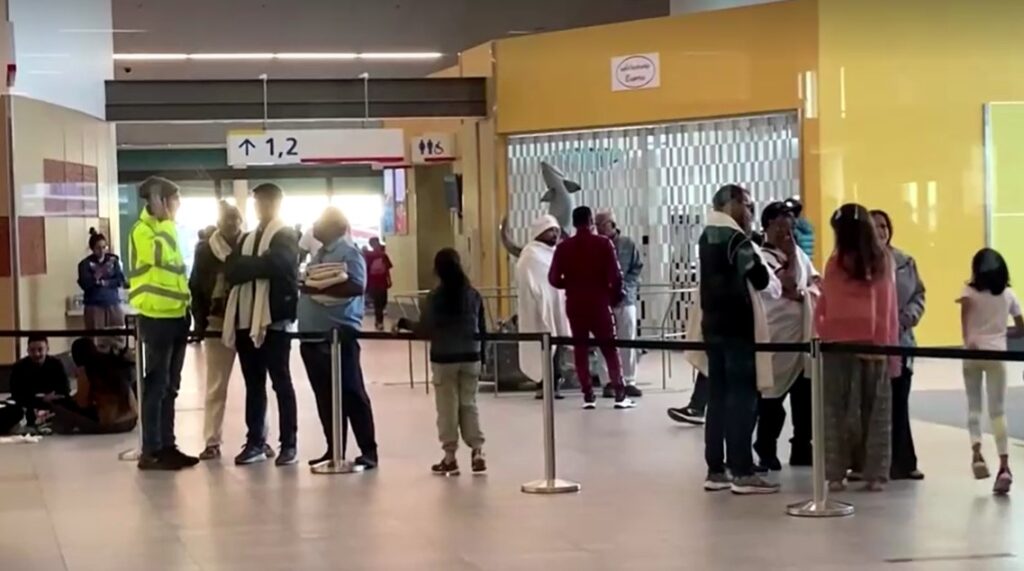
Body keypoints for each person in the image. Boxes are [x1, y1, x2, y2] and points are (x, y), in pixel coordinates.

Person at [698, 184, 778, 495]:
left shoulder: (706, 235)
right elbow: (760, 278)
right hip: (738, 328)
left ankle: (716, 469)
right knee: (742, 399)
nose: (749, 212)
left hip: (713, 326)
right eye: (746, 205)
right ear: (730, 204)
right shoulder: (735, 238)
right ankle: (742, 470)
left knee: (717, 398)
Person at [816, 203, 898, 492]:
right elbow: (888, 308)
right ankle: (874, 473)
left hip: (836, 344)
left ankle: (835, 473)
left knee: (835, 410)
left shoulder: (835, 261)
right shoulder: (881, 260)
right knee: (876, 412)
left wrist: (822, 332)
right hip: (873, 345)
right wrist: (888, 348)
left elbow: (824, 303)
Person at [223, 183, 300, 466]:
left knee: (281, 382)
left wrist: (250, 265)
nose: (260, 206)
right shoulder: (247, 237)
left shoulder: (285, 234)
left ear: (276, 203)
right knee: (253, 383)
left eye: (265, 201)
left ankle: (289, 444)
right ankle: (256, 440)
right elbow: (231, 270)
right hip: (246, 318)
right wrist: (259, 264)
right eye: (257, 202)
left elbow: (281, 266)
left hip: (273, 319)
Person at [297, 207, 378, 469]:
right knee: (324, 397)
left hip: (337, 335)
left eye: (320, 222)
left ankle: (368, 451)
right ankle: (334, 449)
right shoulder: (318, 255)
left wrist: (315, 287)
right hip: (311, 337)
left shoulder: (349, 253)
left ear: (336, 227)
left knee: (352, 393)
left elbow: (357, 285)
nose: (315, 225)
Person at [191, 202, 272, 460]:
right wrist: (200, 323)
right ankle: (212, 441)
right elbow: (196, 287)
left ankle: (260, 438)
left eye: (236, 218)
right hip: (217, 321)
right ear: (218, 221)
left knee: (256, 384)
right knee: (216, 385)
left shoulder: (251, 245)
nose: (232, 223)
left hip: (247, 320)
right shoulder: (205, 250)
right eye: (227, 218)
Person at [397, 248, 487, 475]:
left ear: (437, 269)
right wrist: (482, 357)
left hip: (444, 358)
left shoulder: (436, 297)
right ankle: (477, 450)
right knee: (469, 404)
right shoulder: (473, 295)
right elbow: (483, 329)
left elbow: (425, 328)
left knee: (447, 407)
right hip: (471, 356)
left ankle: (450, 456)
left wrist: (404, 323)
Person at [129, 176, 196, 471]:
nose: (178, 206)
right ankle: (151, 449)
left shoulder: (164, 230)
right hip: (157, 318)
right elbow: (161, 256)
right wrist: (166, 222)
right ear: (160, 202)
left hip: (177, 315)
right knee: (157, 385)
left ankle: (168, 445)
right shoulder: (143, 231)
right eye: (174, 200)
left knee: (171, 386)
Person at [549, 206, 635, 410]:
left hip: (575, 305)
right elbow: (615, 276)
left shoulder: (563, 248)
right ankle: (620, 394)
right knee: (609, 349)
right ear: (590, 221)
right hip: (599, 303)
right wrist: (612, 296)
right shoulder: (603, 244)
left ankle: (588, 395)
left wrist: (569, 284)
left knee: (580, 350)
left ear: (574, 222)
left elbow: (553, 278)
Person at [754, 202, 817, 471]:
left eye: (789, 226)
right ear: (766, 227)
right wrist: (791, 258)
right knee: (772, 401)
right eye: (779, 226)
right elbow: (788, 285)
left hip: (803, 340)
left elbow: (815, 281)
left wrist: (807, 292)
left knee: (805, 401)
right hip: (777, 337)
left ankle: (802, 447)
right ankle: (766, 448)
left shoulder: (800, 254)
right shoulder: (762, 256)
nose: (785, 232)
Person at [958, 248, 1023, 495]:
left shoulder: (968, 293)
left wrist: (971, 340)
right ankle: (1004, 466)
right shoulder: (1008, 295)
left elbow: (964, 327)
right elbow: (1020, 327)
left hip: (971, 354)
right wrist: (1002, 334)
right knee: (998, 411)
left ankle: (976, 454)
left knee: (974, 406)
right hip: (998, 354)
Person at [870, 209, 926, 481]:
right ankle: (869, 463)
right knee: (871, 406)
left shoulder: (905, 262)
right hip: (870, 343)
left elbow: (918, 293)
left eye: (883, 225)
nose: (880, 231)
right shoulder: (859, 263)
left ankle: (904, 461)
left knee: (899, 402)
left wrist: (908, 317)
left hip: (901, 341)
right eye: (874, 226)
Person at [516, 215, 571, 400]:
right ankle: (543, 384)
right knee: (543, 347)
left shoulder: (557, 252)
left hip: (557, 306)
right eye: (550, 230)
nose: (555, 233)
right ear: (539, 232)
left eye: (556, 230)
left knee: (558, 348)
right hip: (537, 310)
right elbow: (531, 281)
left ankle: (555, 384)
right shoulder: (530, 254)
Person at [596, 211, 644, 398]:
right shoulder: (595, 245)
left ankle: (629, 380)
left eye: (602, 224)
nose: (599, 228)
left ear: (612, 224)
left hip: (625, 299)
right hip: (602, 300)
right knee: (604, 342)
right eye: (596, 224)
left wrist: (628, 285)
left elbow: (637, 267)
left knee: (627, 339)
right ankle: (608, 381)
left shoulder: (627, 244)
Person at [50, 338, 138, 435]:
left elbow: (82, 403)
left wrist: (65, 400)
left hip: (112, 423)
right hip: (131, 419)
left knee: (60, 406)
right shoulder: (110, 362)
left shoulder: (86, 370)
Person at [10, 335, 71, 430]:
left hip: (52, 403)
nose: (37, 354)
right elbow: (16, 394)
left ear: (47, 349)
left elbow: (65, 389)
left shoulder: (56, 364)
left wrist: (47, 398)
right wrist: (42, 398)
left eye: (40, 349)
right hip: (29, 405)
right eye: (32, 350)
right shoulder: (19, 367)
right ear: (28, 350)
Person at [78, 228, 126, 335]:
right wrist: (97, 274)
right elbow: (85, 284)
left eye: (104, 247)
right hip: (94, 305)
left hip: (113, 303)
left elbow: (120, 280)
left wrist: (105, 283)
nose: (102, 251)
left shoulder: (113, 260)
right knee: (96, 337)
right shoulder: (85, 264)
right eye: (98, 248)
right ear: (92, 249)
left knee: (117, 335)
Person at [364, 237, 394, 332]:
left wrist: (389, 280)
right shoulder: (369, 256)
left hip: (381, 283)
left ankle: (379, 320)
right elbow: (366, 270)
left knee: (382, 302)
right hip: (375, 283)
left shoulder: (382, 256)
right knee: (378, 304)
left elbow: (387, 269)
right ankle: (379, 321)